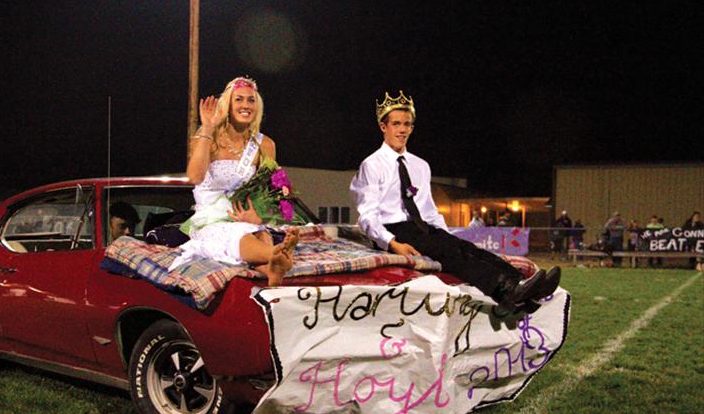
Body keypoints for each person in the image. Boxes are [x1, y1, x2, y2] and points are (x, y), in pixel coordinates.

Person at [350, 90, 560, 314]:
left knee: (465, 247)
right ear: (384, 127)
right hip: (392, 230)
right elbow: (368, 216)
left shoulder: (420, 165)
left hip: (420, 226)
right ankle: (506, 291)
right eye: (396, 124)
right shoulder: (372, 165)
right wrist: (392, 243)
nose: (402, 130)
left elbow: (428, 208)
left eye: (407, 124)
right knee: (452, 254)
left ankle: (523, 286)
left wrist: (443, 233)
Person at [169, 77, 298, 286]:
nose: (245, 105)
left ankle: (273, 270)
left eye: (251, 100)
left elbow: (273, 188)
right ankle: (278, 254)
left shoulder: (265, 144)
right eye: (239, 100)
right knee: (239, 234)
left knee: (258, 232)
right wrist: (208, 129)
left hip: (243, 216)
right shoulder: (207, 138)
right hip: (211, 219)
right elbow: (194, 177)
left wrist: (260, 214)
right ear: (227, 104)